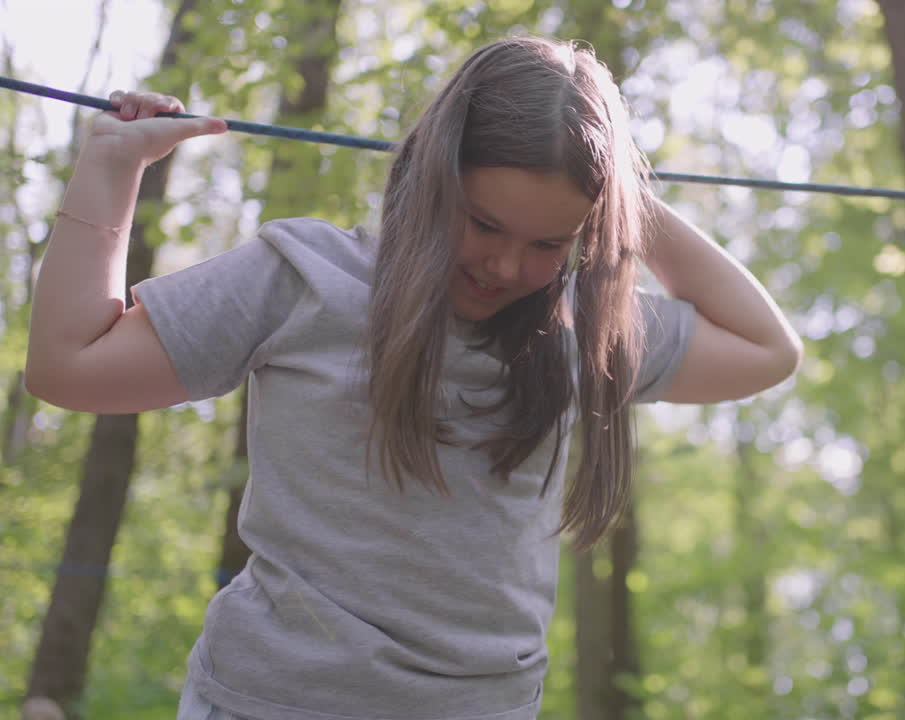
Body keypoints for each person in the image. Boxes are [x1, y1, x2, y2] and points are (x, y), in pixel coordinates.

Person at [24, 37, 803, 720]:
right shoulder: (306, 279)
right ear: (432, 175)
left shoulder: (579, 329)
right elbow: (70, 367)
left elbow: (768, 349)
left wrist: (627, 202)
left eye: (548, 243)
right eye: (485, 222)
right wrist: (110, 166)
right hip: (271, 703)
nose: (506, 265)